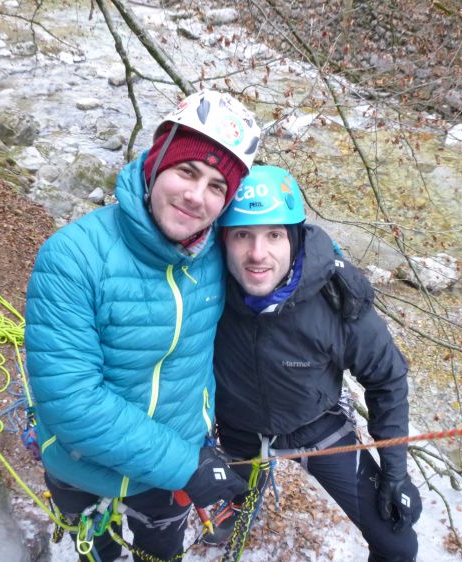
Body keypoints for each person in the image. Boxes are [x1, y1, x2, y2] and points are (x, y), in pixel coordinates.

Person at [24, 89, 261, 562]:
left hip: (169, 471)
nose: (196, 196)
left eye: (217, 186)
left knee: (160, 552)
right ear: (155, 164)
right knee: (97, 551)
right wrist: (187, 465)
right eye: (187, 171)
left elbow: (278, 253)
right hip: (85, 467)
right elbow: (72, 402)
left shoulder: (218, 253)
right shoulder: (72, 257)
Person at [208, 165, 422, 561]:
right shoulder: (205, 289)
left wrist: (395, 472)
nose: (257, 253)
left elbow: (388, 379)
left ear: (294, 237)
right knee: (235, 509)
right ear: (223, 240)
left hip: (314, 425)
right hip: (238, 430)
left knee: (398, 545)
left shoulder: (337, 300)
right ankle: (242, 507)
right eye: (242, 235)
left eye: (274, 235)